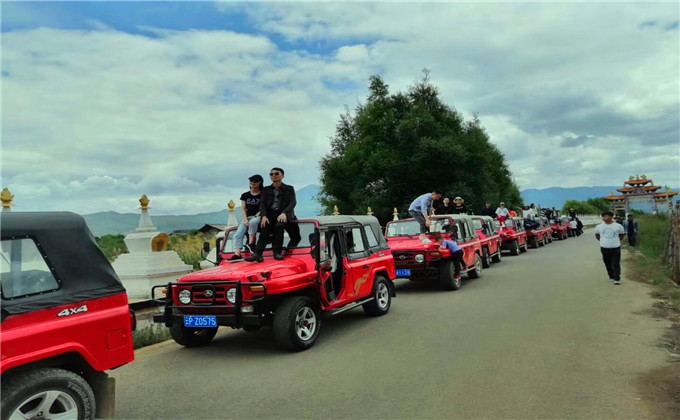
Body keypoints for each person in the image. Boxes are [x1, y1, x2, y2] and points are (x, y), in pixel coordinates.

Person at [245, 167, 301, 262]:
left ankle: (277, 252)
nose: (273, 176)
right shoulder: (266, 189)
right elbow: (262, 204)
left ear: (282, 176)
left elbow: (293, 202)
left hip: (284, 214)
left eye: (276, 173)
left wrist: (284, 213)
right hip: (270, 214)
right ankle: (257, 254)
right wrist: (263, 216)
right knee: (265, 227)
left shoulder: (289, 188)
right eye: (271, 174)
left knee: (279, 226)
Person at [229, 174, 263, 260]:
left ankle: (251, 244)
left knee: (253, 222)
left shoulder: (263, 194)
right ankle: (237, 254)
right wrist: (245, 220)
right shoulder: (245, 195)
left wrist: (256, 216)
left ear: (260, 182)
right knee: (238, 234)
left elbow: (264, 207)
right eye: (251, 181)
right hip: (247, 216)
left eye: (255, 181)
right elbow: (243, 209)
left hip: (259, 216)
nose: (253, 183)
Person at [594, 211, 625, 285]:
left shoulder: (618, 226)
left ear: (611, 217)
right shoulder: (599, 227)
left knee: (616, 263)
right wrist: (603, 241)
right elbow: (597, 235)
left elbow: (621, 235)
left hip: (615, 247)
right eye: (603, 217)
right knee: (607, 262)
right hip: (604, 247)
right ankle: (611, 276)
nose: (604, 218)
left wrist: (615, 241)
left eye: (606, 216)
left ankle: (617, 278)